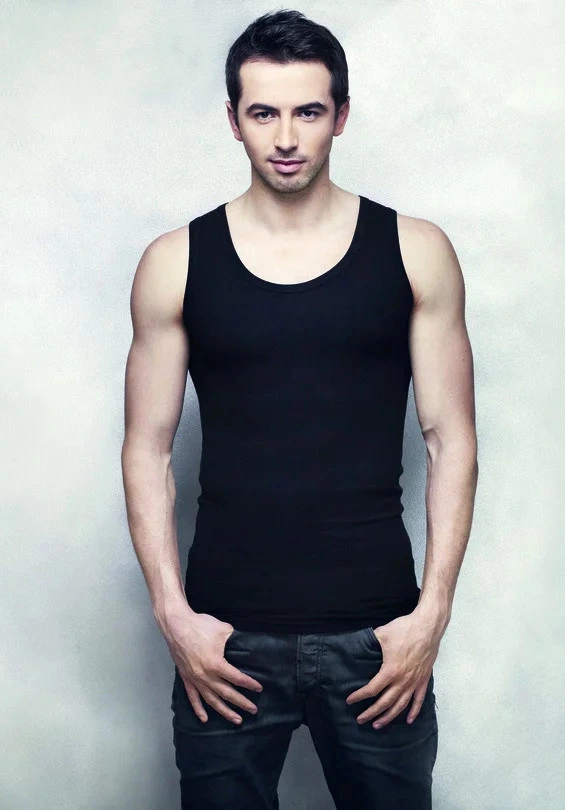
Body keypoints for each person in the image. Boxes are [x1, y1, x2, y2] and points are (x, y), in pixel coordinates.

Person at [121, 9, 478, 809]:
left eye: (308, 111)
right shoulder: (175, 263)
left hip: (378, 641)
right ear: (234, 121)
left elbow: (450, 438)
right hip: (225, 646)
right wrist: (175, 617)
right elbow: (146, 449)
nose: (285, 137)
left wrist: (431, 616)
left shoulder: (415, 251)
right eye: (264, 113)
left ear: (340, 116)